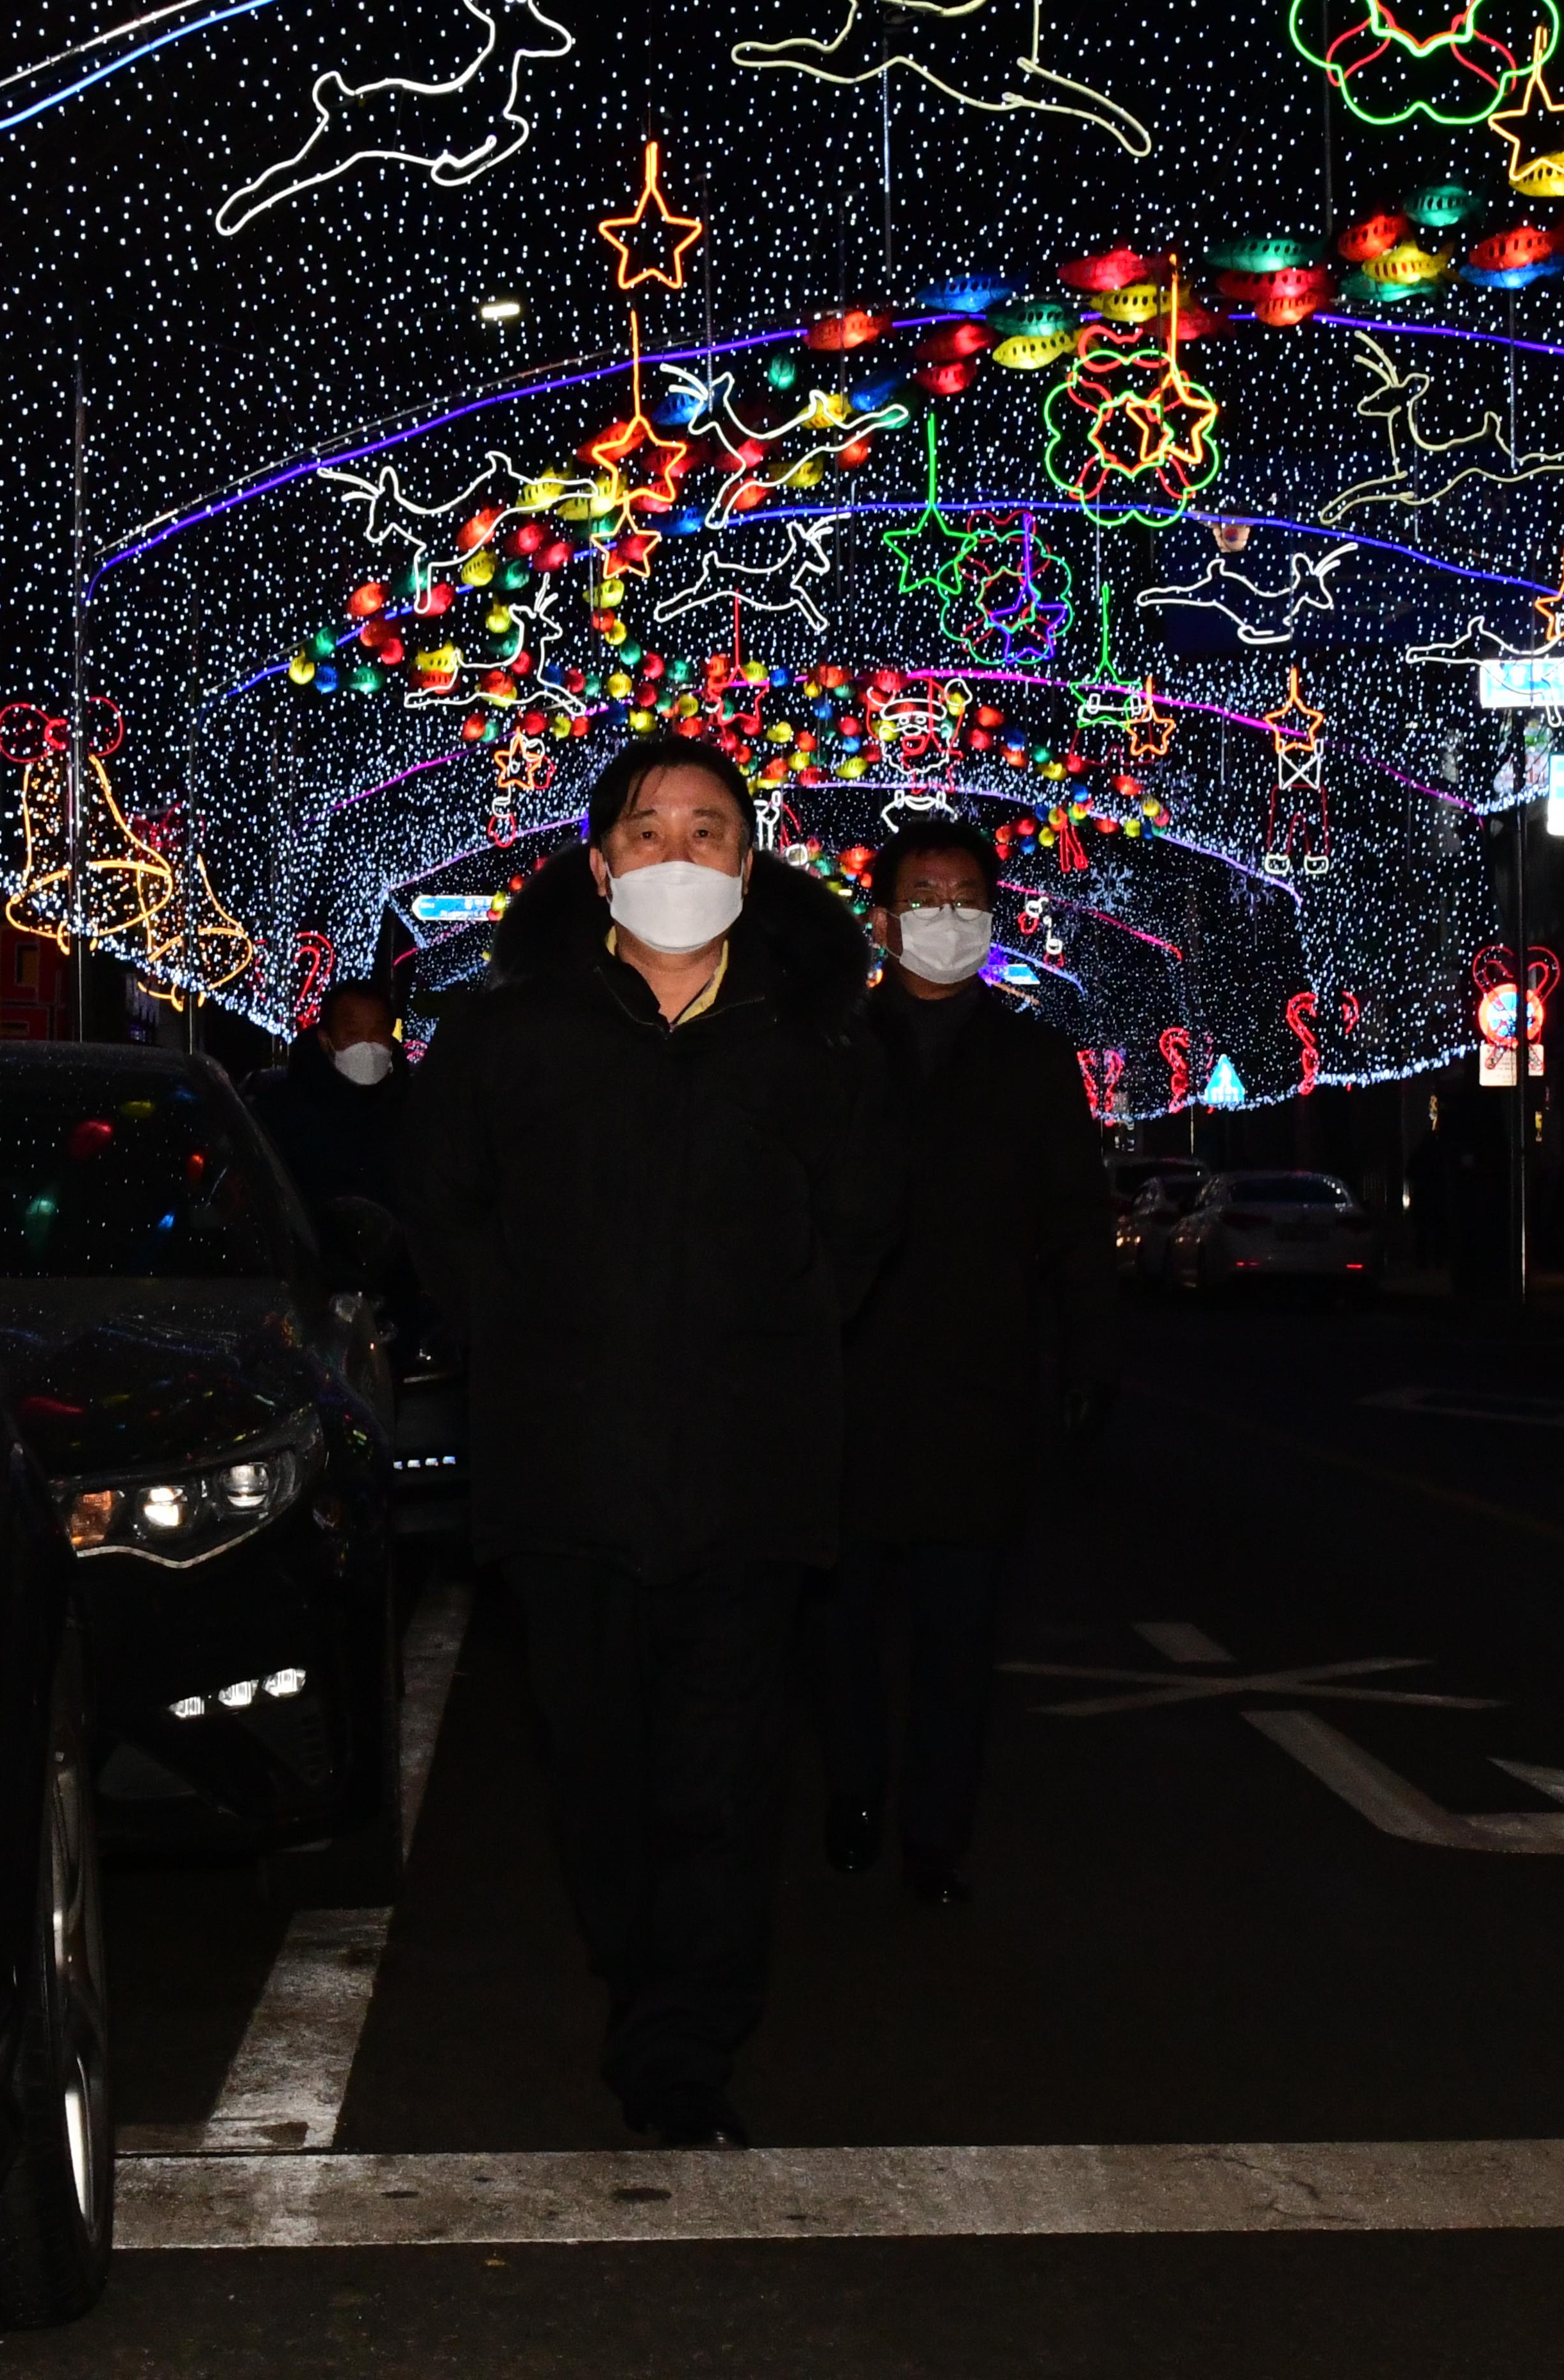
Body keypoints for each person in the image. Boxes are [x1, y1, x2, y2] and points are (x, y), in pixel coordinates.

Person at [400, 733, 895, 2150]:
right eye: (651, 827)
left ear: (752, 857)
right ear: (601, 856)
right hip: (565, 1468)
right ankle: (640, 1976)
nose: (681, 854)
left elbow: (862, 1225)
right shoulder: (509, 1032)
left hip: (750, 1470)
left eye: (710, 829)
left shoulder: (813, 1042)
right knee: (601, 1766)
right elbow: (445, 1207)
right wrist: (526, 1339)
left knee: (725, 1774)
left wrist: (780, 1332)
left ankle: (684, 2047)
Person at [810, 817, 1117, 1907]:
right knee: (839, 1629)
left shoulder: (1031, 1058)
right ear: (883, 918)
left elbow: (1077, 1220)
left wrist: (1086, 1354)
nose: (944, 916)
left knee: (956, 1641)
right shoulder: (833, 1045)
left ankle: (933, 1841)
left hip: (977, 1391)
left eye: (964, 897)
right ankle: (851, 1788)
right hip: (845, 1389)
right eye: (923, 896)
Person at [246, 978, 408, 1212]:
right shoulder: (281, 1113)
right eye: (353, 1034)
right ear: (325, 1040)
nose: (368, 1045)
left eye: (378, 1033)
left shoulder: (414, 1110)